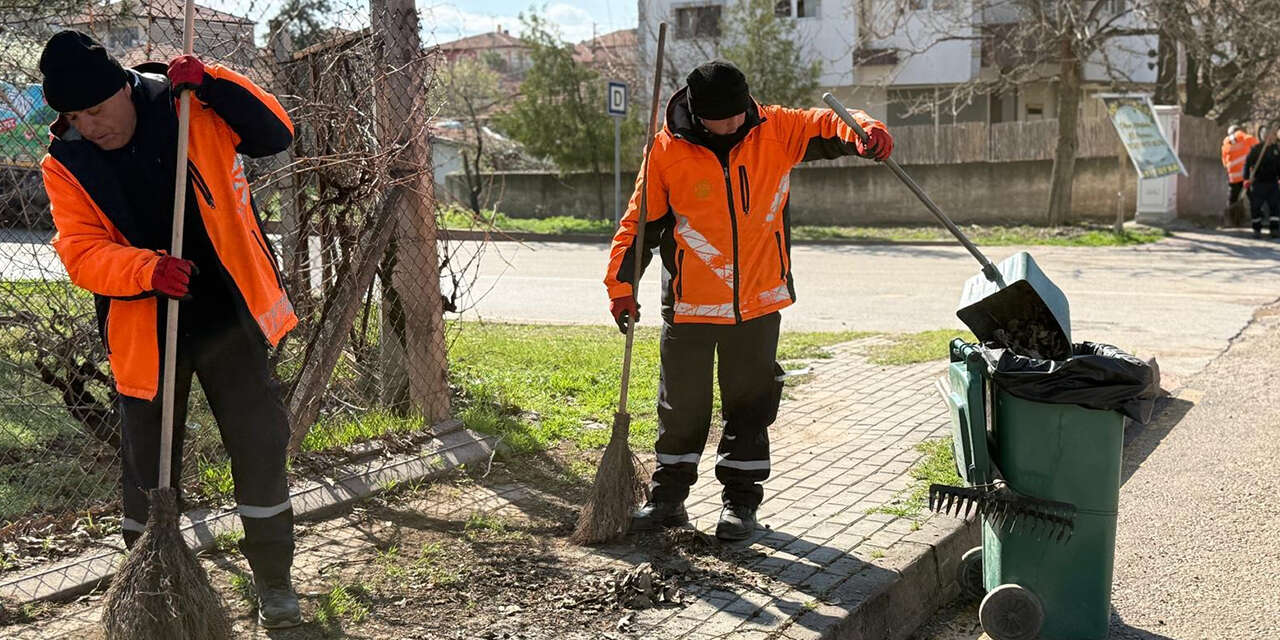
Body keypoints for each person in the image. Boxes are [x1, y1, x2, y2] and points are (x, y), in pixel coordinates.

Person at [39, 31, 301, 627]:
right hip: (144, 323)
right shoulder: (66, 162)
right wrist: (147, 269)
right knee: (148, 464)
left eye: (97, 110)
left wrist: (214, 81)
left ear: (123, 89)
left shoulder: (190, 105)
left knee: (258, 443)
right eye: (75, 117)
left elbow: (274, 134)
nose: (91, 126)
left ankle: (275, 583)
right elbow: (80, 252)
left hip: (229, 314)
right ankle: (151, 589)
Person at [603, 61, 893, 541]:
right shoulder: (665, 153)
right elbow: (638, 227)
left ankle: (740, 506)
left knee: (750, 407)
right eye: (724, 118)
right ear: (698, 115)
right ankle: (668, 501)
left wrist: (867, 130)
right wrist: (621, 287)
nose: (736, 124)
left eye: (740, 113)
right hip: (690, 308)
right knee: (681, 409)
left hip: (758, 305)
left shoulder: (774, 127)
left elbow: (830, 123)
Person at [1243, 125, 1280, 239]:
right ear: (1263, 136)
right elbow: (1247, 164)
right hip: (1259, 183)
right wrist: (1246, 178)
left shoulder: (1276, 149)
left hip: (1273, 183)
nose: (1271, 138)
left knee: (1275, 206)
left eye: (1272, 135)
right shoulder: (1256, 149)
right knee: (1256, 207)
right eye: (1268, 135)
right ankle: (1256, 229)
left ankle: (1274, 229)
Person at [1221, 124, 1258, 212]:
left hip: (1234, 177)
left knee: (1232, 198)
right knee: (1252, 196)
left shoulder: (1225, 144)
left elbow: (1224, 163)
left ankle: (1231, 218)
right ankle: (1258, 216)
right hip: (1246, 175)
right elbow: (1258, 146)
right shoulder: (1245, 137)